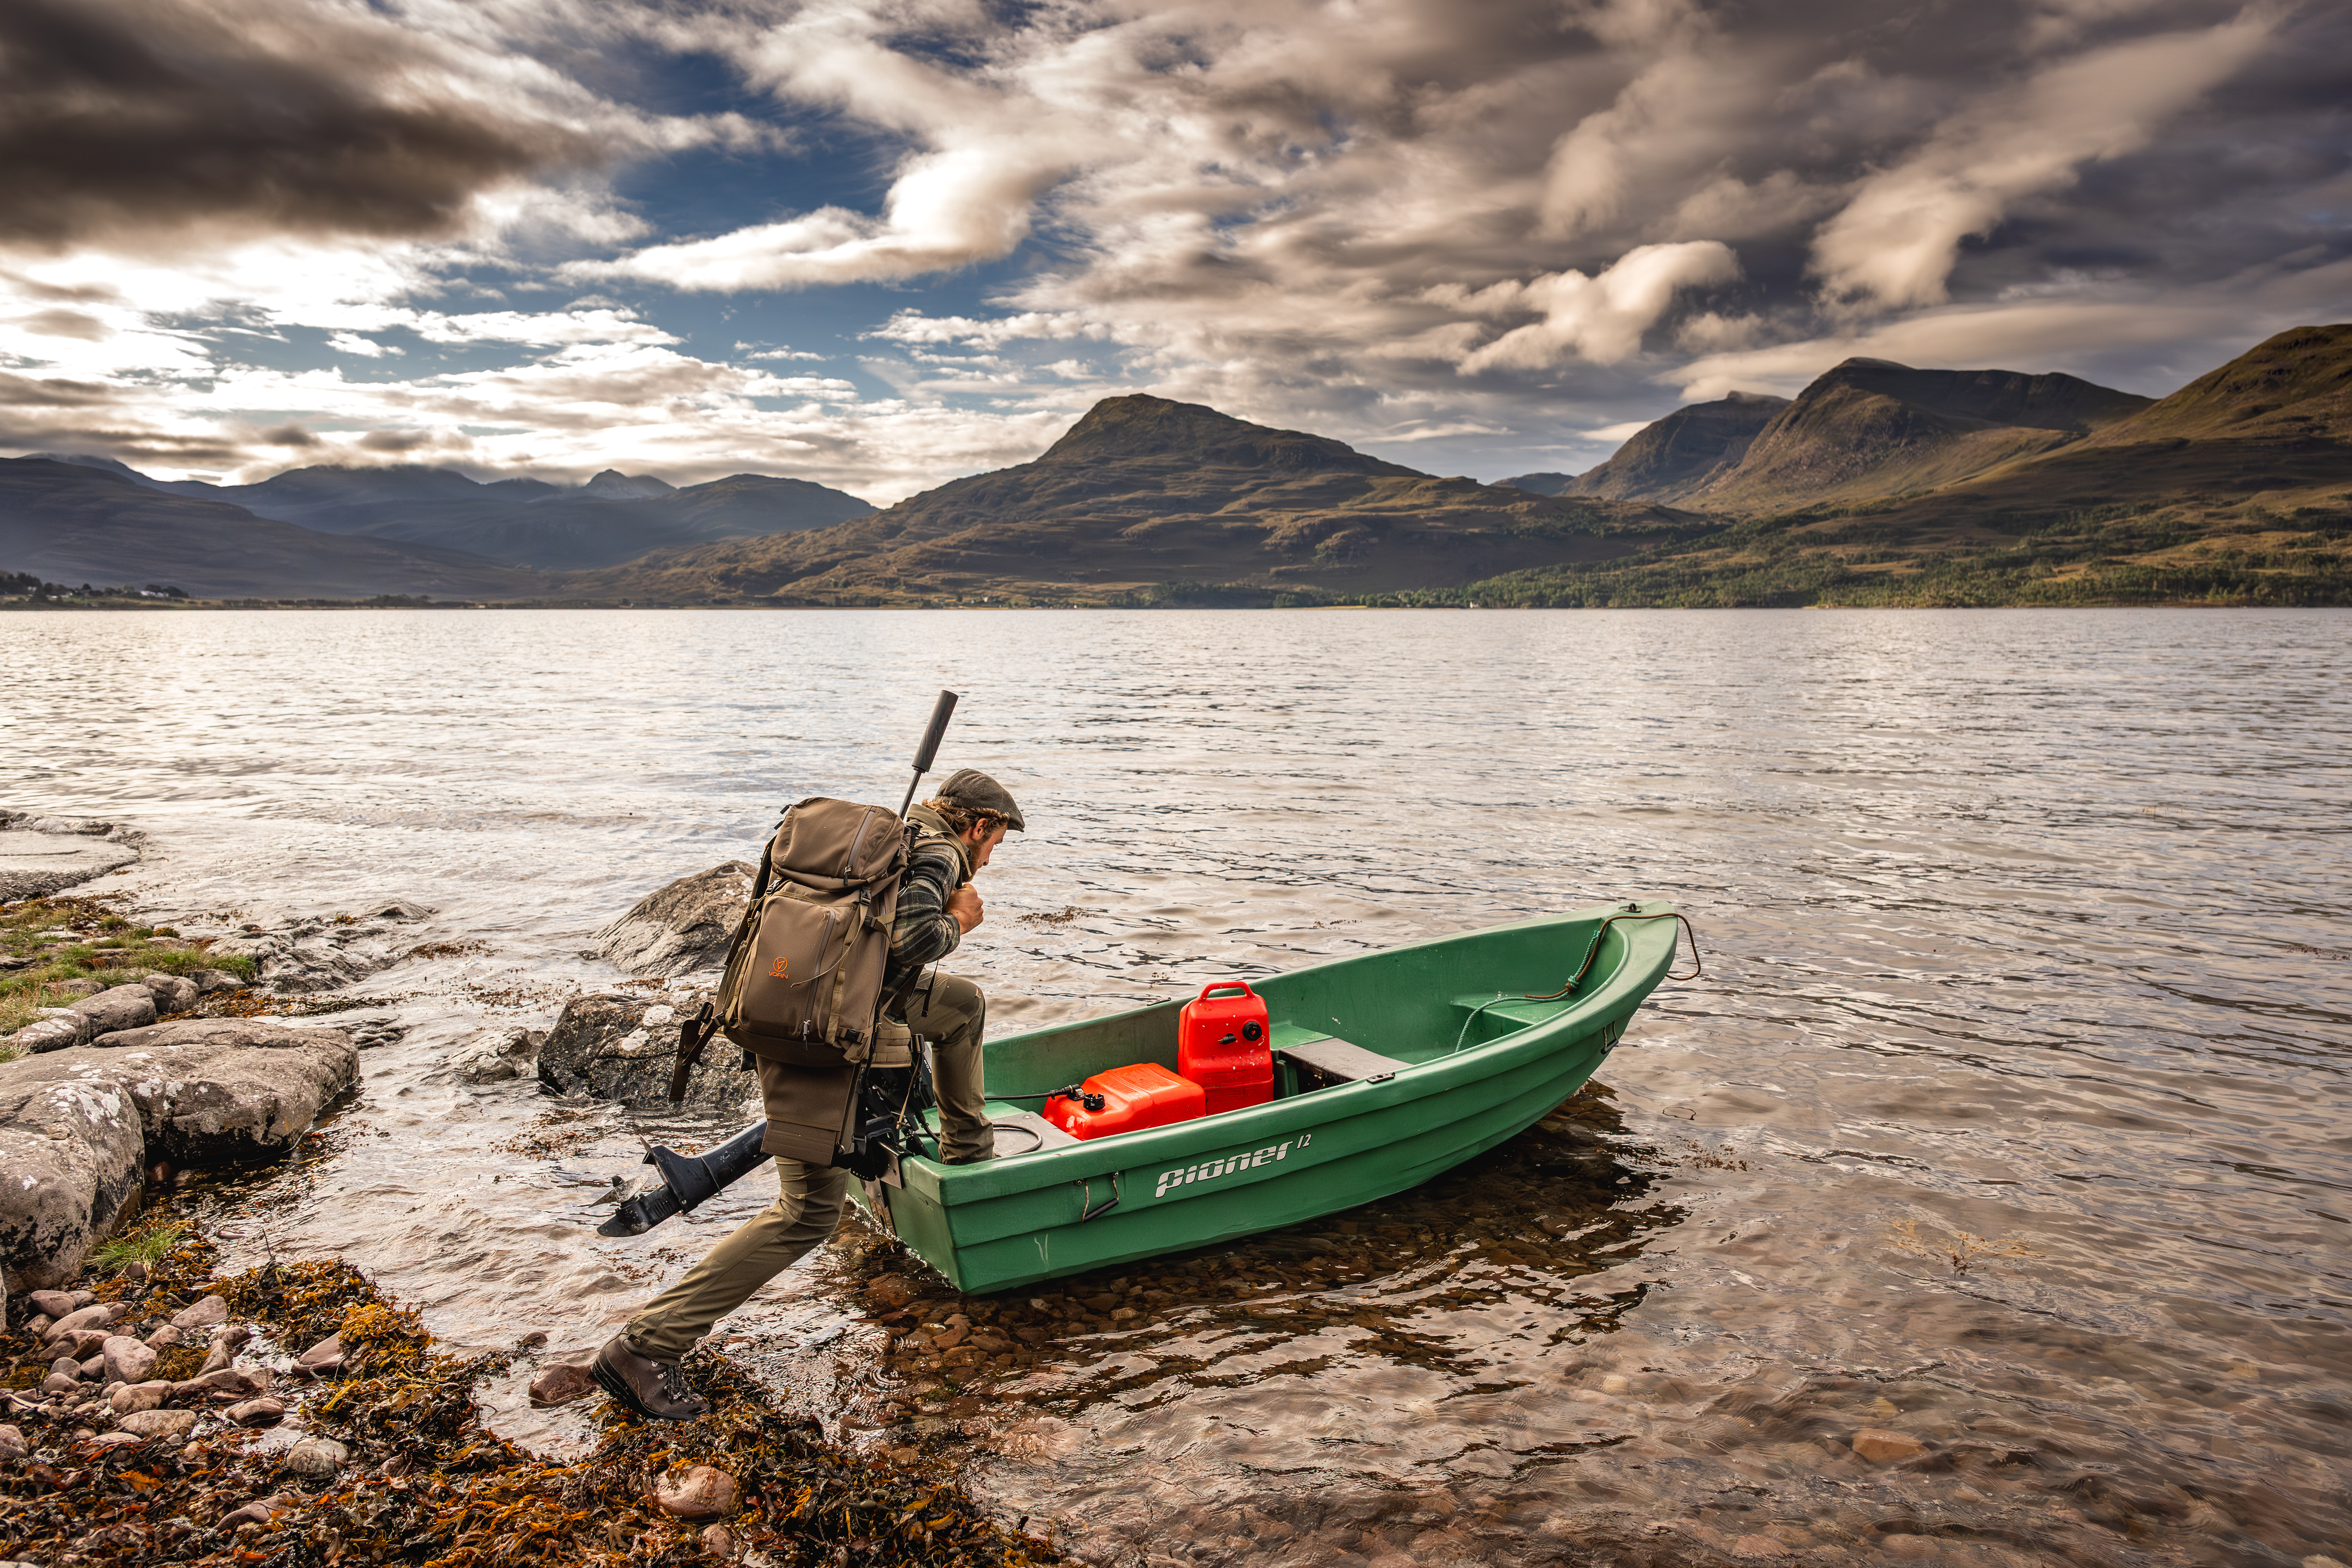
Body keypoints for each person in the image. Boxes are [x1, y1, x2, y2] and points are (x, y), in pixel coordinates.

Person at [591, 768, 1025, 1421]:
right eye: (994, 846)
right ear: (980, 826)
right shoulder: (940, 854)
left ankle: (965, 1150)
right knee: (806, 1214)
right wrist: (959, 919)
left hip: (783, 1009)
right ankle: (645, 1347)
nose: (988, 861)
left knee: (960, 1005)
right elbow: (912, 940)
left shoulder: (883, 840)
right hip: (831, 1040)